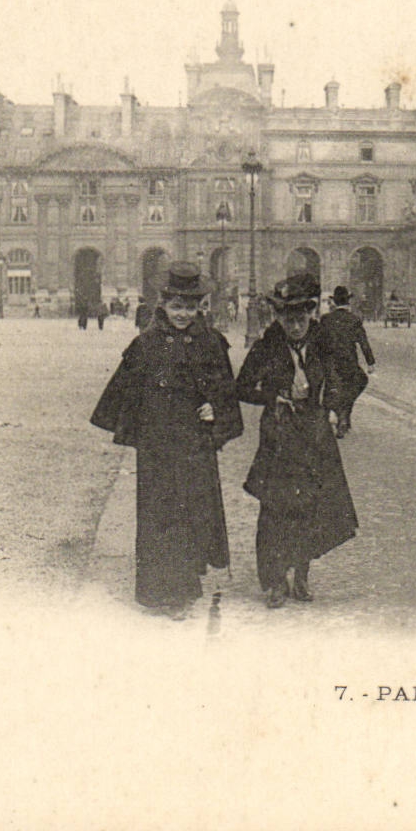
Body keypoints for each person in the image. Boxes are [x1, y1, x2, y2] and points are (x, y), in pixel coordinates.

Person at [90, 263, 242, 618]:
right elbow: (123, 389)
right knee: (159, 515)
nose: (183, 314)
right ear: (163, 305)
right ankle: (156, 590)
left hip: (194, 445)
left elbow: (225, 391)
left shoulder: (212, 342)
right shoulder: (146, 343)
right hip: (157, 444)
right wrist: (135, 422)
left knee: (190, 514)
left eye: (190, 307)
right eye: (176, 307)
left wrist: (215, 410)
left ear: (200, 307)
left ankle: (183, 590)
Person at [236, 272, 360, 609]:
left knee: (310, 506)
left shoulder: (324, 344)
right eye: (287, 318)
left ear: (310, 315)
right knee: (275, 508)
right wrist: (273, 396)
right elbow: (242, 386)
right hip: (279, 435)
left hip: (314, 434)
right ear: (278, 317)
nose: (295, 326)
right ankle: (276, 580)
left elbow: (351, 378)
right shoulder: (266, 348)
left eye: (301, 318)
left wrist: (333, 407)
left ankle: (301, 575)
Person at [314, 284, 376, 438]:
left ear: (334, 302)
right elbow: (363, 342)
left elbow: (317, 342)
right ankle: (344, 415)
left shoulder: (326, 319)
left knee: (331, 389)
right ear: (348, 303)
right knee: (359, 382)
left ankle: (340, 415)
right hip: (349, 363)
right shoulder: (354, 320)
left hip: (329, 363)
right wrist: (370, 362)